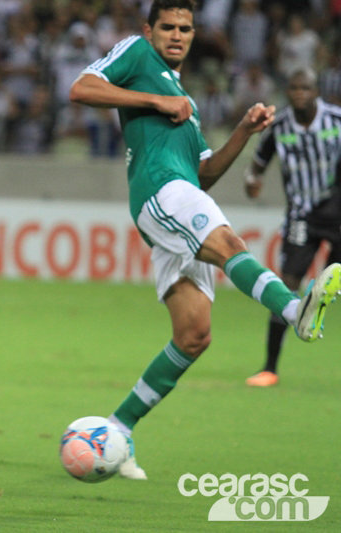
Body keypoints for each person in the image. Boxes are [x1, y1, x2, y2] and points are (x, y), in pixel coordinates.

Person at [69, 0, 341, 480]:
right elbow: (82, 87)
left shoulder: (185, 103)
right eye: (168, 27)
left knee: (193, 335)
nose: (177, 35)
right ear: (149, 30)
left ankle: (118, 429)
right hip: (158, 189)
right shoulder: (137, 56)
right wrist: (155, 102)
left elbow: (205, 174)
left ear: (195, 35)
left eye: (186, 28)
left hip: (181, 191)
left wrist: (243, 131)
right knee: (230, 244)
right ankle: (295, 311)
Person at [244, 68, 341, 387]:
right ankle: (269, 368)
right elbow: (257, 165)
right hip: (301, 215)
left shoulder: (336, 120)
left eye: (306, 87)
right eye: (294, 87)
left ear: (317, 92)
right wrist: (251, 183)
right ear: (287, 92)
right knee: (287, 285)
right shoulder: (278, 127)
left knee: (331, 283)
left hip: (337, 212)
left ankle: (322, 294)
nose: (299, 92)